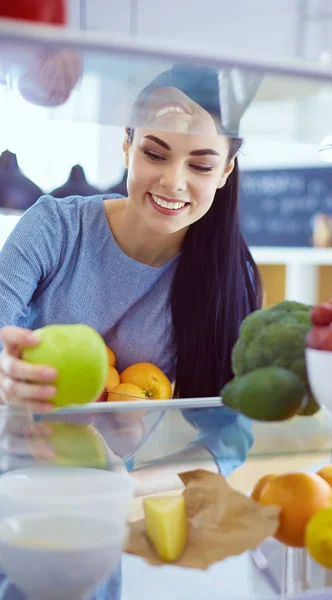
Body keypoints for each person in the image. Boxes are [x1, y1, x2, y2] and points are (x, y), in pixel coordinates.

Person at [0, 64, 262, 599]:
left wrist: (125, 486)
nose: (172, 182)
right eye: (155, 153)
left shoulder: (227, 278)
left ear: (227, 170)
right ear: (127, 145)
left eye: (202, 163)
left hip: (92, 516)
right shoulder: (56, 226)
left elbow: (229, 436)